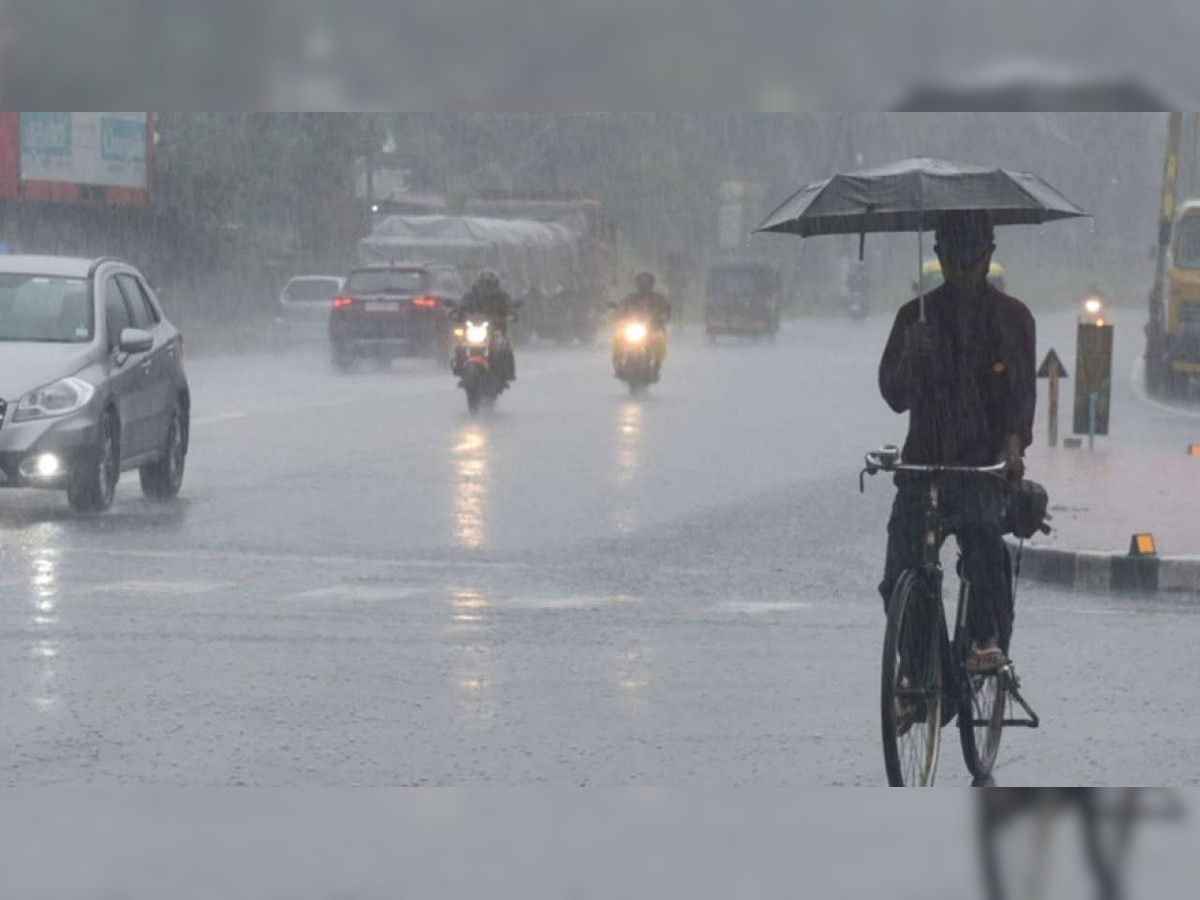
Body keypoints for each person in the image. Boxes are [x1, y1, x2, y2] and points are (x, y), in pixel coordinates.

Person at [878, 211, 1037, 674]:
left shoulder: (1013, 320)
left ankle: (985, 637)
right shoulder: (914, 318)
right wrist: (912, 354)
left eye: (972, 256)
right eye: (953, 257)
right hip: (922, 467)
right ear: (938, 257)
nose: (963, 267)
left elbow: (1021, 399)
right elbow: (894, 395)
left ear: (988, 254)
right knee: (900, 574)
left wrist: (1012, 447)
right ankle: (919, 670)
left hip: (980, 469)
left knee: (985, 541)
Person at [459, 270, 517, 381]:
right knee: (460, 346)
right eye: (484, 284)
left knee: (503, 347)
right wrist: (456, 312)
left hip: (496, 331)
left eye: (490, 284)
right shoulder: (471, 296)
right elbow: (462, 305)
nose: (486, 288)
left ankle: (506, 373)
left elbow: (510, 306)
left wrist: (511, 313)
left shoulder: (501, 297)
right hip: (475, 329)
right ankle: (459, 367)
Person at [615, 273, 671, 365]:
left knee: (660, 338)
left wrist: (663, 316)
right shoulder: (631, 298)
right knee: (618, 336)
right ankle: (617, 360)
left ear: (651, 284)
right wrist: (619, 313)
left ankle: (658, 361)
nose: (644, 285)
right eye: (641, 283)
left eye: (646, 283)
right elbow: (622, 307)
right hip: (633, 327)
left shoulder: (657, 298)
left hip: (653, 328)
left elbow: (666, 308)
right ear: (637, 284)